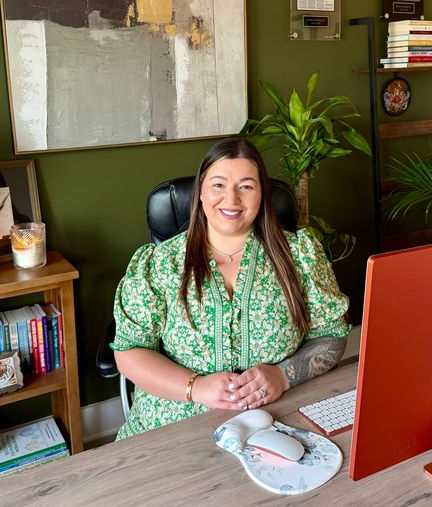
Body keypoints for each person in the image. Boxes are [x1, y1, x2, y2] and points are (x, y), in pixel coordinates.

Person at [111, 138, 350, 439]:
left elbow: (332, 336)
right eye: (219, 185)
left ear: (262, 194)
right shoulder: (161, 263)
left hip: (277, 419)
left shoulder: (300, 255)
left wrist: (284, 375)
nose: (232, 198)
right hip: (174, 428)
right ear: (201, 191)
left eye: (246, 186)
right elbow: (130, 350)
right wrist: (196, 387)